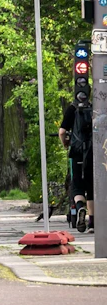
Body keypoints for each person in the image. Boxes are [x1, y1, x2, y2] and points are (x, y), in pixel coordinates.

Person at [61, 97, 94, 231]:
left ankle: (80, 207)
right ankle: (92, 223)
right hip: (94, 152)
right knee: (92, 186)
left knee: (77, 185)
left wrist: (65, 144)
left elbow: (62, 131)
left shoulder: (72, 109)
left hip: (77, 152)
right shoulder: (96, 107)